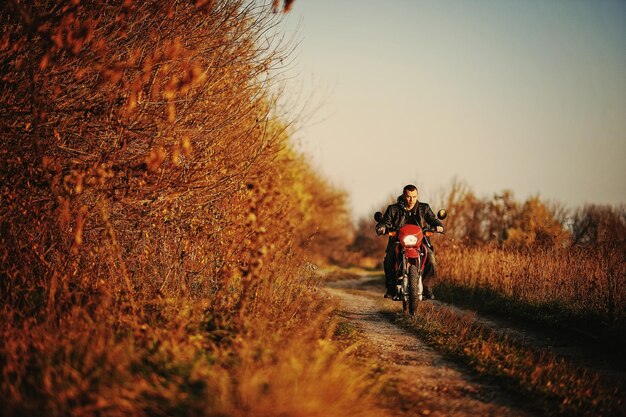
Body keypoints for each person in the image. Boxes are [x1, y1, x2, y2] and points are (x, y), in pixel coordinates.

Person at [375, 184, 444, 299]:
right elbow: (384, 222)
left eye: (414, 196)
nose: (411, 199)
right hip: (398, 241)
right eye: (408, 196)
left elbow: (433, 220)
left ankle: (427, 288)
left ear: (417, 196)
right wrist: (381, 227)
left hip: (420, 242)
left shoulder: (424, 208)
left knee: (431, 258)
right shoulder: (393, 209)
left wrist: (438, 226)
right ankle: (391, 288)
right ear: (403, 196)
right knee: (388, 259)